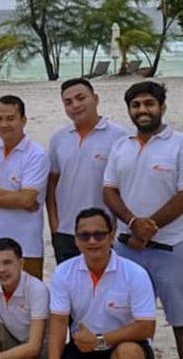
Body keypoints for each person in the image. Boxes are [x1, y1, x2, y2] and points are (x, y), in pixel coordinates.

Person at [103, 80, 183, 359]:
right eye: (136, 105)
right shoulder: (122, 146)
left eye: (149, 103)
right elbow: (109, 190)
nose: (142, 110)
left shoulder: (182, 145)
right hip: (128, 249)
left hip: (173, 249)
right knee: (128, 319)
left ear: (162, 107)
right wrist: (133, 224)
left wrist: (150, 227)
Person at [46, 208, 157, 359]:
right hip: (82, 347)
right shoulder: (64, 272)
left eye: (99, 234)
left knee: (129, 355)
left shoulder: (135, 274)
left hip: (124, 345)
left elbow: (146, 327)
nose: (92, 241)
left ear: (112, 235)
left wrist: (99, 340)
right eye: (84, 235)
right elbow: (58, 322)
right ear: (76, 240)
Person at [46, 78, 128, 264]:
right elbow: (52, 183)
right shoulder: (59, 138)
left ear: (95, 99)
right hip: (66, 232)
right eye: (68, 102)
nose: (75, 105)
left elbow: (126, 187)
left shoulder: (120, 137)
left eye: (80, 98)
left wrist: (117, 228)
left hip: (103, 233)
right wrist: (54, 226)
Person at [0, 95, 49, 278]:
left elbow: (26, 200)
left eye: (10, 118)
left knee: (28, 293)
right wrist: (18, 197)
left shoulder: (36, 154)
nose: (4, 124)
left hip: (26, 245)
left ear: (23, 120)